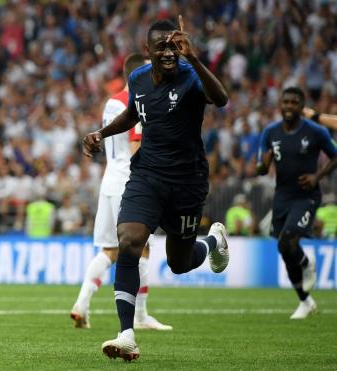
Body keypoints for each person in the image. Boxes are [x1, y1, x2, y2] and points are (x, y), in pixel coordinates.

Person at [83, 16, 230, 361]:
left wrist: (194, 57)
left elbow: (221, 99)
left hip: (186, 182)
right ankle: (126, 334)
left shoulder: (191, 75)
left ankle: (211, 242)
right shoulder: (137, 79)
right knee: (129, 241)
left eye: (173, 44)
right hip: (146, 175)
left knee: (178, 263)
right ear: (147, 51)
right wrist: (101, 134)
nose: (168, 51)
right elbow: (136, 114)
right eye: (161, 45)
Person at [70, 53, 171, 331]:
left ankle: (82, 303)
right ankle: (141, 316)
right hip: (130, 182)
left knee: (109, 250)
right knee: (144, 249)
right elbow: (136, 144)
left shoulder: (111, 102)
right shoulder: (136, 102)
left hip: (109, 180)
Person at [257, 86, 337, 319]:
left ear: (302, 107)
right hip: (282, 195)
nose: (289, 106)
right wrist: (264, 164)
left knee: (288, 237)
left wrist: (317, 177)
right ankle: (305, 300)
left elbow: (335, 156)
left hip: (307, 195)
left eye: (294, 103)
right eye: (286, 102)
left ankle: (305, 261)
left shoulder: (315, 131)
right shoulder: (270, 133)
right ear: (280, 105)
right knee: (283, 247)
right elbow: (261, 169)